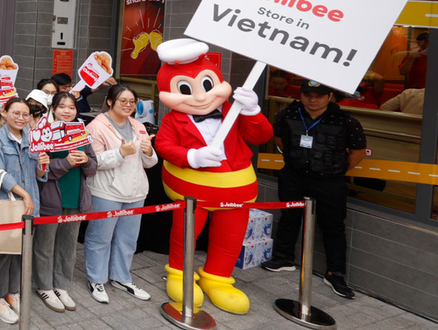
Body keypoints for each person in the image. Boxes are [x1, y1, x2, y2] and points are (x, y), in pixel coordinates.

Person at [154, 39, 273, 314]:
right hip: (192, 193)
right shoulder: (174, 119)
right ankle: (180, 274)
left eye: (207, 85)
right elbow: (163, 145)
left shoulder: (234, 111)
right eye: (185, 89)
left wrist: (253, 110)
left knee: (229, 238)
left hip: (239, 193)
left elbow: (261, 136)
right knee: (185, 234)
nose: (200, 97)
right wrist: (192, 157)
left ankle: (218, 279)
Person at [261, 81, 367, 299]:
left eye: (319, 95)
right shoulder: (288, 115)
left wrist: (340, 169)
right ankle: (283, 258)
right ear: (301, 95)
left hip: (329, 181)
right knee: (289, 216)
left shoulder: (345, 121)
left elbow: (358, 151)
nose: (313, 99)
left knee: (333, 226)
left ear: (330, 96)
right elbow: (278, 137)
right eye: (308, 94)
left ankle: (335, 273)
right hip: (293, 176)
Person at [84, 84, 156, 304]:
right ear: (109, 101)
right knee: (100, 237)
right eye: (123, 101)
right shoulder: (97, 126)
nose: (128, 105)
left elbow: (149, 163)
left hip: (135, 191)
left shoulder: (138, 125)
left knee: (127, 239)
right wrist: (120, 153)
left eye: (132, 102)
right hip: (106, 191)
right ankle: (96, 278)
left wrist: (148, 151)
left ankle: (121, 278)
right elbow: (93, 162)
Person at [0, 98, 49, 324]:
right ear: (4, 113)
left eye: (25, 114)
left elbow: (40, 175)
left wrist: (42, 164)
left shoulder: (33, 139)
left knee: (21, 252)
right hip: (8, 204)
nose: (21, 118)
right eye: (16, 113)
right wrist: (24, 194)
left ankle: (12, 292)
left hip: (30, 205)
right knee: (2, 252)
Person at [33, 92, 97, 313]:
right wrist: (66, 163)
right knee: (45, 244)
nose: (67, 111)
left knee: (68, 246)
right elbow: (41, 171)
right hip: (50, 198)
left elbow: (93, 168)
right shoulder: (45, 134)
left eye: (71, 107)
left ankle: (61, 285)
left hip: (76, 197)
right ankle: (43, 286)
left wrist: (86, 160)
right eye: (62, 107)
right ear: (53, 108)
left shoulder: (82, 132)